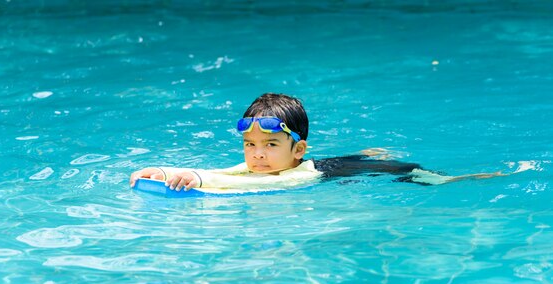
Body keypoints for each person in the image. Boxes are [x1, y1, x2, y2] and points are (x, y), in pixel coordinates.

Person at [129, 93, 505, 191]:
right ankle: (366, 150)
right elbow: (225, 171)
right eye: (249, 144)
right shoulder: (263, 163)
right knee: (348, 157)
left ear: (297, 150)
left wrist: (198, 181)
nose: (257, 154)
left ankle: (463, 177)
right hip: (327, 161)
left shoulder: (292, 175)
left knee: (408, 173)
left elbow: (237, 182)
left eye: (270, 145)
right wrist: (167, 171)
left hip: (345, 174)